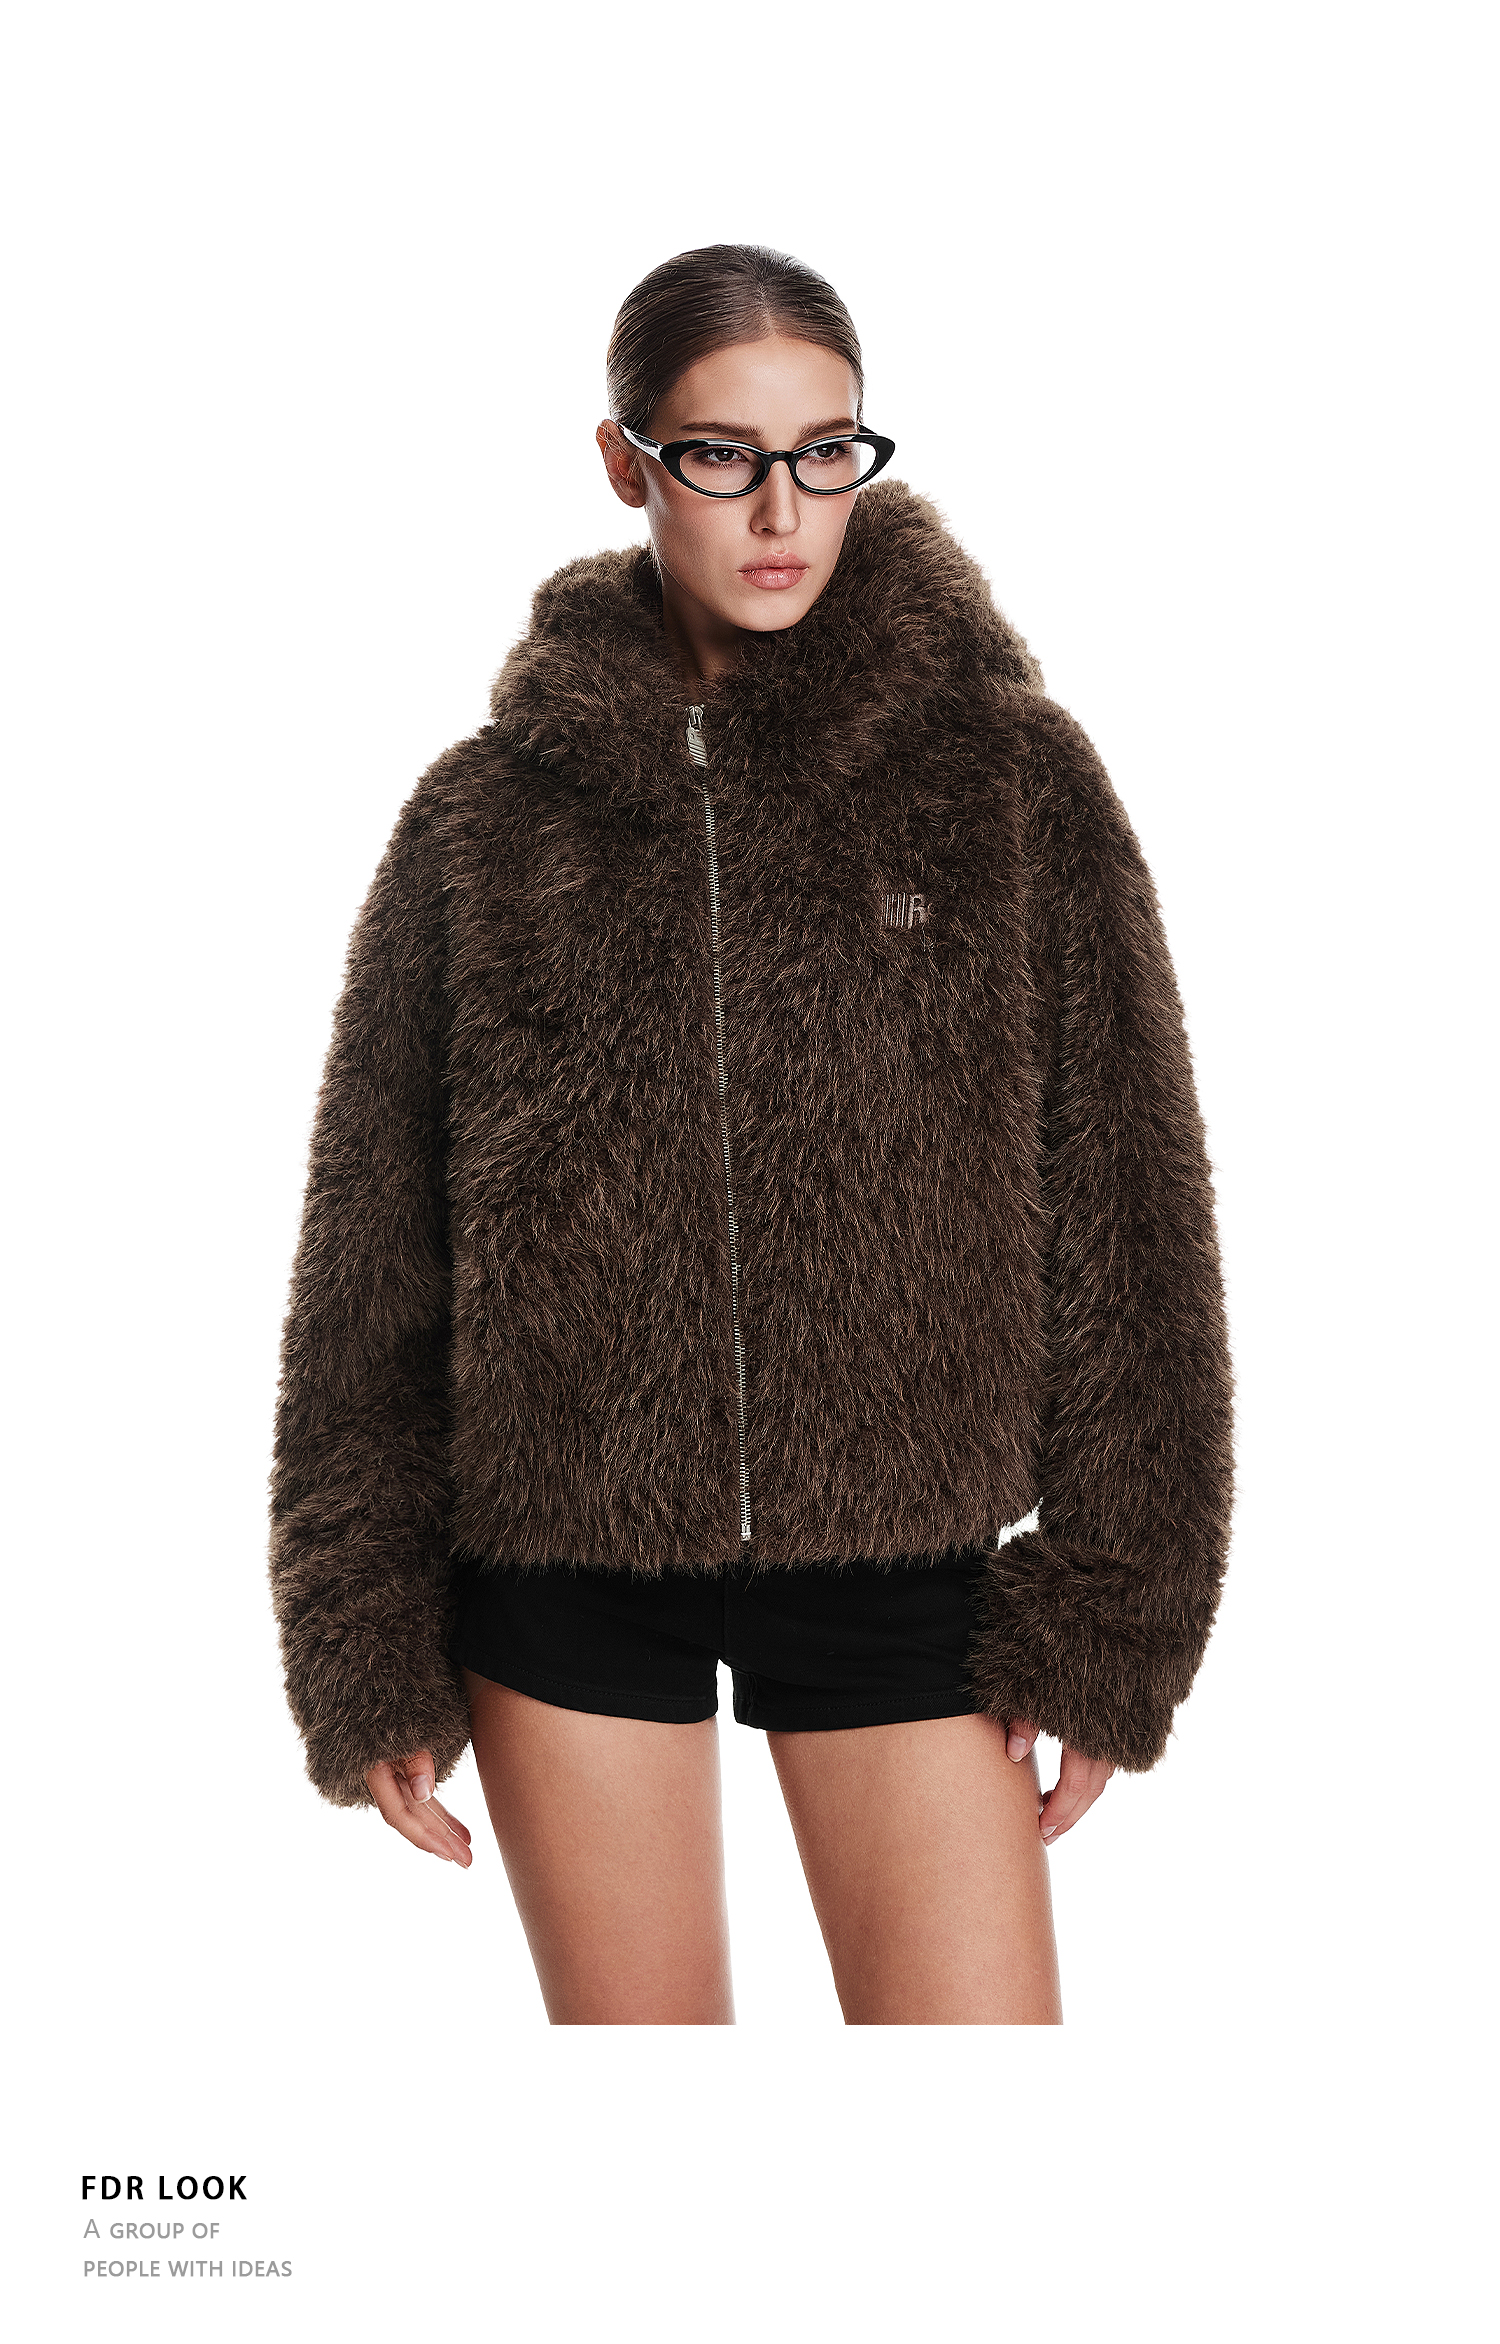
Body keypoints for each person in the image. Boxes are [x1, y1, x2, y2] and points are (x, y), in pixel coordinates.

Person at [269, 244, 1235, 2025]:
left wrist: (1117, 1603)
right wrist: (367, 1633)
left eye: (826, 452)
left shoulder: (1007, 780)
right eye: (722, 455)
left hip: (901, 1560)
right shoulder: (485, 822)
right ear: (625, 462)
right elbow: (372, 1260)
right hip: (564, 1561)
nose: (783, 510)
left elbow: (1131, 1210)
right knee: (655, 2143)